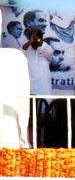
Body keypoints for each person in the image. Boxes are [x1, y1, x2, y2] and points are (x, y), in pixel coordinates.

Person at [0, 12, 30, 148]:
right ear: (10, 29)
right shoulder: (10, 43)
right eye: (18, 29)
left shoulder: (14, 55)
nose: (21, 31)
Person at [22, 27, 53, 97]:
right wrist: (30, 41)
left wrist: (36, 38)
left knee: (45, 106)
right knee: (30, 107)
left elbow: (40, 44)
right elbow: (21, 50)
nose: (35, 41)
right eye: (33, 39)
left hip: (44, 88)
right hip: (30, 87)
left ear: (41, 38)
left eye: (37, 39)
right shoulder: (27, 49)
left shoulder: (47, 48)